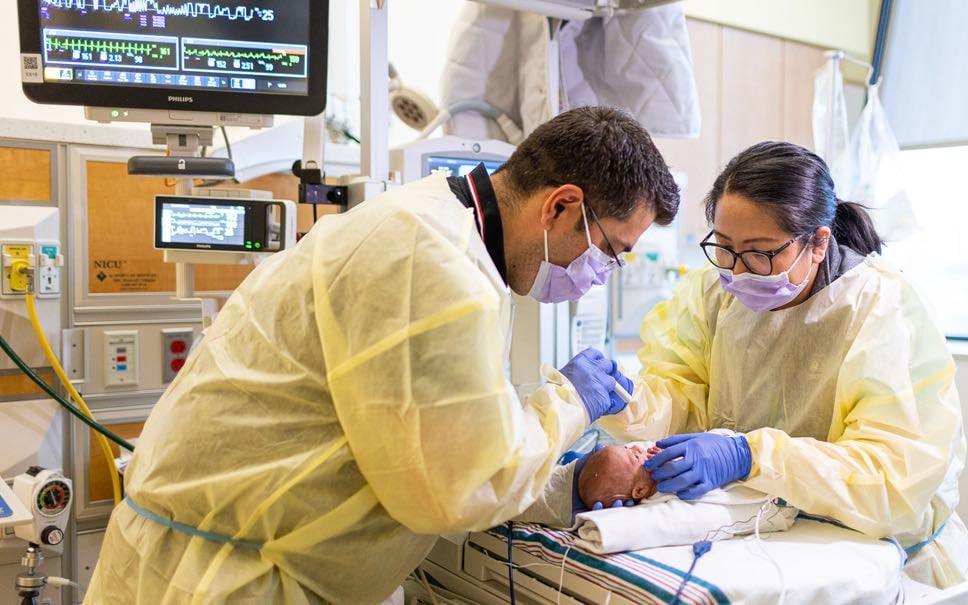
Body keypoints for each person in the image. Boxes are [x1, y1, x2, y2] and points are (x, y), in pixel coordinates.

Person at [84, 106, 680, 604]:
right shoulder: (431, 261)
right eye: (609, 250)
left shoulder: (445, 237)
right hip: (215, 582)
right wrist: (569, 401)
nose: (603, 274)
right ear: (560, 206)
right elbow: (455, 488)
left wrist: (568, 485)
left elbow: (419, 446)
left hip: (238, 565)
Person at [595, 141, 965, 588]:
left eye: (761, 252)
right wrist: (623, 402)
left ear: (817, 243)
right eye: (725, 248)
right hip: (761, 544)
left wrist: (749, 455)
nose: (739, 270)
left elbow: (889, 483)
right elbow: (684, 398)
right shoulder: (714, 295)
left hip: (882, 565)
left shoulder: (880, 310)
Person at [577, 443, 660, 510]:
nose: (636, 447)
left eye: (627, 447)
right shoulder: (653, 508)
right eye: (636, 457)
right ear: (640, 490)